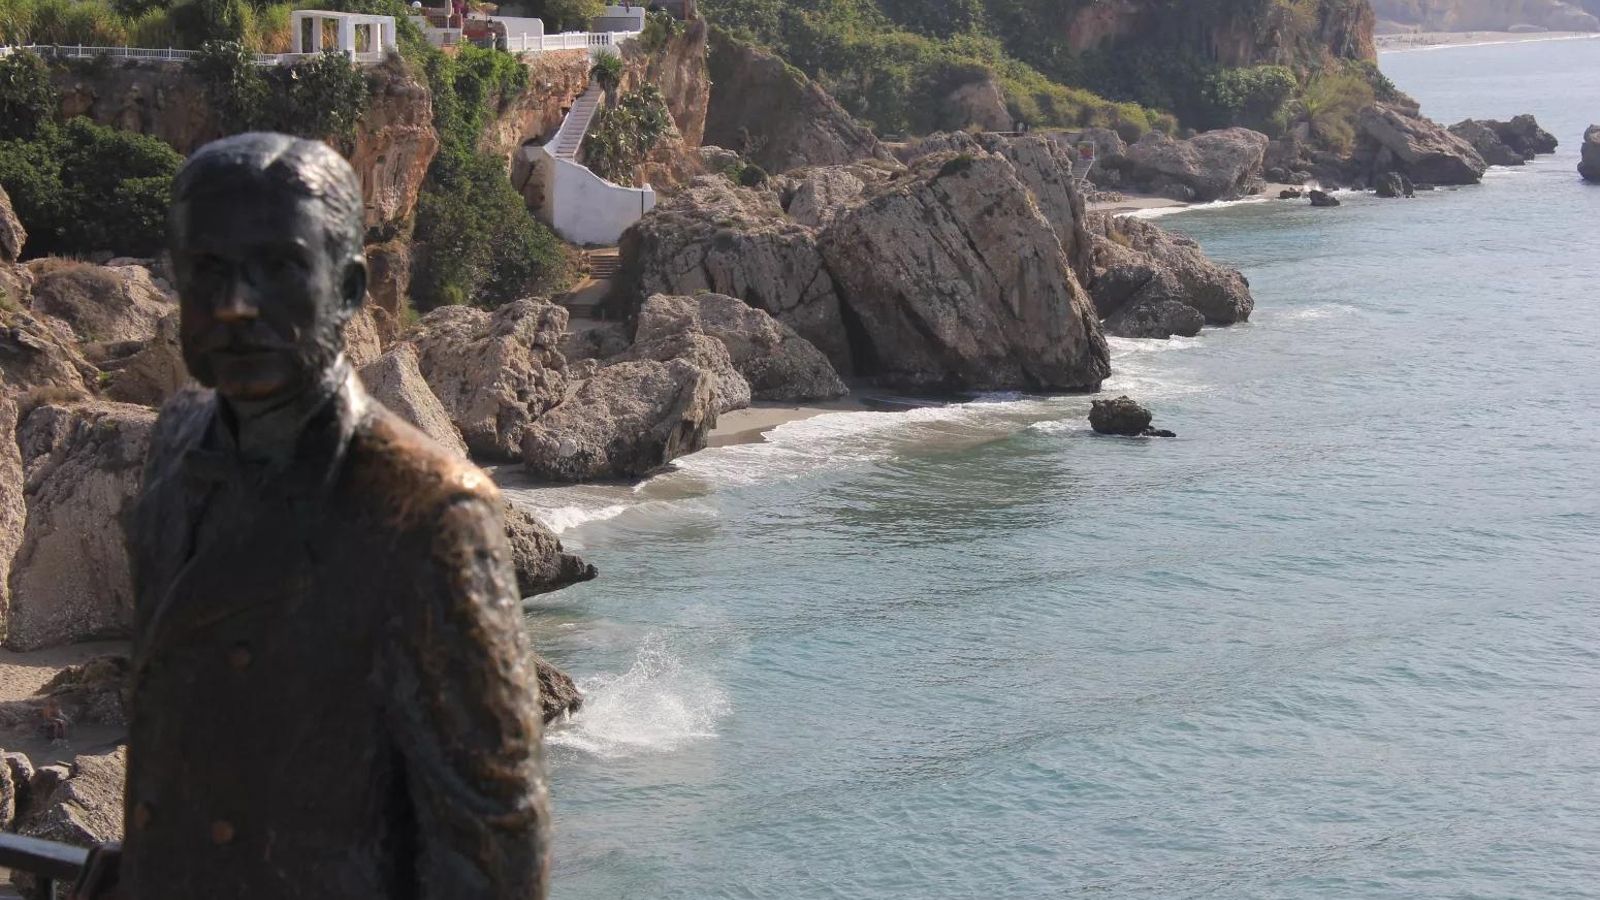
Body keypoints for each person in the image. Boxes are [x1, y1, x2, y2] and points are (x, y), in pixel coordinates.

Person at [120, 133, 550, 899]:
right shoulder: (175, 442)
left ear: (350, 291)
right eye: (208, 271)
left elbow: (492, 846)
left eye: (279, 270)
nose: (235, 306)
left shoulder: (429, 515)